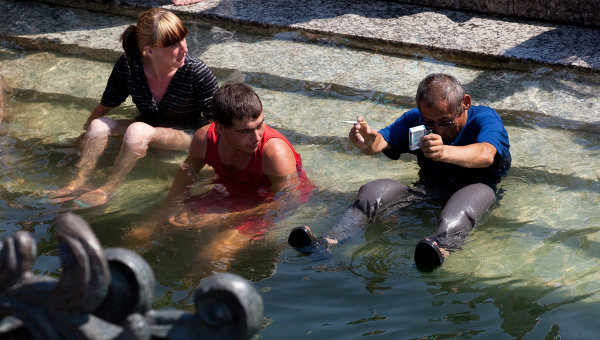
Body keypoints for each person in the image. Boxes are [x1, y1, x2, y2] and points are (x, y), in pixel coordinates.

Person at [289, 73, 511, 270]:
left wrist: (444, 152)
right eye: (430, 123)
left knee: (464, 203)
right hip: (426, 192)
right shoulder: (416, 120)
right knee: (373, 190)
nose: (437, 129)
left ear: (466, 103)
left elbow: (486, 154)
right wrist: (367, 142)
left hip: (475, 193)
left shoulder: (485, 118)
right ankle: (328, 242)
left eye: (445, 122)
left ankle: (438, 250)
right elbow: (381, 142)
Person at [130, 82, 312, 268]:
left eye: (260, 125)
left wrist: (224, 217)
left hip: (266, 201)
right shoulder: (204, 139)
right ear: (219, 128)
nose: (257, 136)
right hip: (229, 189)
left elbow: (289, 201)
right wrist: (171, 206)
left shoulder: (274, 153)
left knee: (212, 254)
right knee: (139, 234)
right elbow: (187, 171)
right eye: (245, 131)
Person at [50, 8, 218, 207]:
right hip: (146, 126)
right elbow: (106, 106)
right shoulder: (129, 66)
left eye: (183, 39)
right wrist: (80, 139)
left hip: (186, 133)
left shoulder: (196, 71)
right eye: (173, 44)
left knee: (137, 130)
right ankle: (77, 181)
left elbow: (219, 122)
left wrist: (214, 162)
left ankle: (108, 188)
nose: (184, 48)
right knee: (98, 126)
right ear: (148, 50)